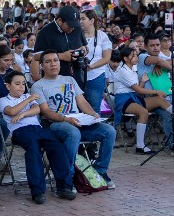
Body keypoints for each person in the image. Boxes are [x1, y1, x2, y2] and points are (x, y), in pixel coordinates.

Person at [32, 51, 117, 187]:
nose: (53, 64)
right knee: (73, 132)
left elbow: (82, 102)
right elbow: (46, 111)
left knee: (109, 131)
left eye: (55, 60)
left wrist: (93, 115)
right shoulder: (38, 86)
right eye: (48, 61)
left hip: (78, 121)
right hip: (57, 124)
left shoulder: (69, 80)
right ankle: (69, 177)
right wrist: (66, 119)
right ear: (42, 65)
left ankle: (100, 171)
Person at [0, 71, 74, 202]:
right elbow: (11, 111)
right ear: (8, 86)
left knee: (57, 146)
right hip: (20, 131)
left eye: (23, 83)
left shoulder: (27, 96)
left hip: (37, 128)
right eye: (17, 84)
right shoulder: (4, 100)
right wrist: (28, 100)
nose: (21, 87)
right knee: (33, 151)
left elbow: (37, 109)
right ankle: (37, 191)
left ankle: (64, 187)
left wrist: (23, 114)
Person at [79, 11, 112, 113]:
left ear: (92, 20)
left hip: (96, 76)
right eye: (79, 19)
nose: (80, 21)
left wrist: (92, 66)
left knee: (94, 108)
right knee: (79, 108)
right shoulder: (77, 35)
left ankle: (95, 124)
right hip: (78, 76)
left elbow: (107, 58)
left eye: (83, 19)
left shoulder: (102, 36)